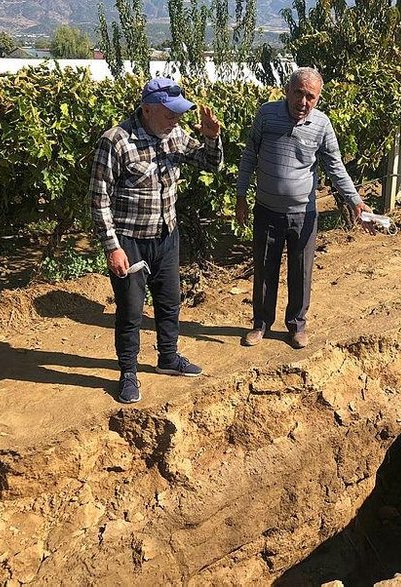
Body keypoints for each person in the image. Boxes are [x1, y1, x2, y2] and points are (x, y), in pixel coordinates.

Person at [89, 77, 222, 403]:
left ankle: (168, 358)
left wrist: (211, 138)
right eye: (169, 113)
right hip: (130, 240)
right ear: (147, 109)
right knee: (131, 310)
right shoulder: (116, 141)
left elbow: (210, 164)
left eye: (178, 113)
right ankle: (129, 372)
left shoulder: (174, 134)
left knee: (169, 302)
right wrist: (112, 246)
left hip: (166, 235)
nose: (176, 119)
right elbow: (98, 198)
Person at [236, 67, 373, 350]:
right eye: (298, 93)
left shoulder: (322, 125)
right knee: (264, 269)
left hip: (303, 213)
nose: (303, 102)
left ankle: (297, 326)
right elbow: (250, 152)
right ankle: (260, 324)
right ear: (287, 90)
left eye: (310, 96)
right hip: (266, 209)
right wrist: (240, 195)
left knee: (301, 271)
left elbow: (335, 167)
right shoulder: (266, 114)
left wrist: (356, 202)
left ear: (318, 99)